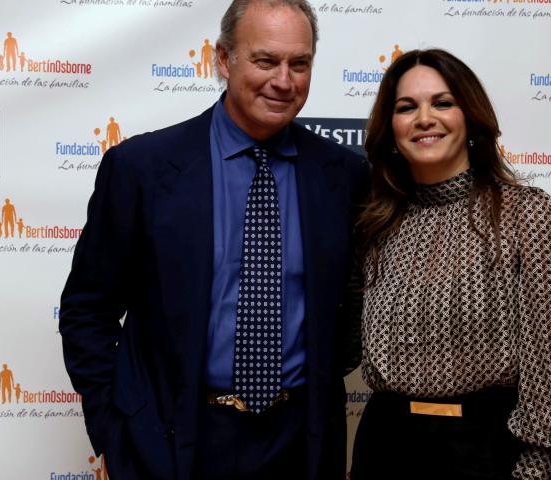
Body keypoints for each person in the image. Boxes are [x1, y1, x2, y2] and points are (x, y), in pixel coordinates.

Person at [59, 1, 368, 479]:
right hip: (172, 441)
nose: (283, 80)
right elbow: (87, 309)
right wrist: (117, 428)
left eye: (299, 63)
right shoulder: (143, 168)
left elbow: (352, 309)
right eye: (265, 60)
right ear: (223, 59)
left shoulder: (344, 175)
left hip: (300, 444)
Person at [350, 49, 551, 479]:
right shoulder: (376, 224)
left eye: (442, 103)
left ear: (470, 117)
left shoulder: (526, 214)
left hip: (490, 452)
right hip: (386, 448)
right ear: (390, 127)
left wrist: (535, 469)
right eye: (406, 107)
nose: (425, 119)